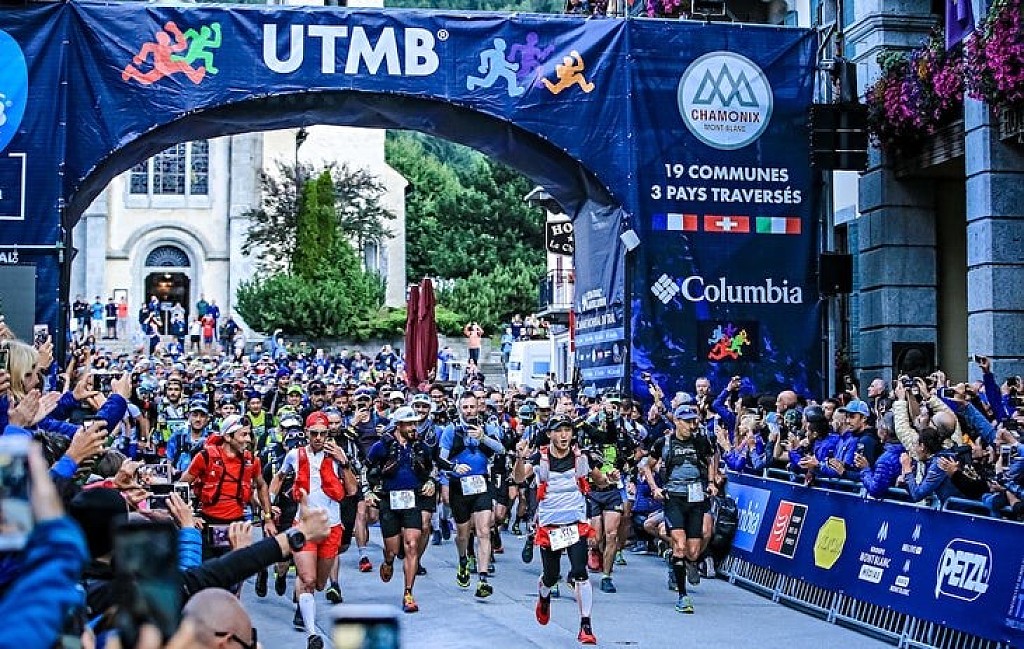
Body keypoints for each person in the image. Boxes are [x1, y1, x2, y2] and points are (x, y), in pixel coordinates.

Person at [513, 415, 597, 644]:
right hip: (551, 526)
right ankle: (544, 595)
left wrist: (608, 477)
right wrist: (519, 457)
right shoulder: (539, 458)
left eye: (567, 430)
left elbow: (599, 480)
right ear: (550, 434)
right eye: (559, 431)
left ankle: (586, 625)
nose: (563, 435)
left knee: (580, 573)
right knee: (551, 576)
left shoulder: (581, 457)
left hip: (575, 523)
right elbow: (518, 477)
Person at [269, 412, 350, 649]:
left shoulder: (337, 454)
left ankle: (303, 597)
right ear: (307, 433)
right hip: (303, 525)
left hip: (331, 526)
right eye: (314, 433)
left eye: (323, 433)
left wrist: (344, 463)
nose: (318, 438)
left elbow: (353, 489)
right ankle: (312, 634)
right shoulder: (295, 455)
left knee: (320, 583)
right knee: (308, 579)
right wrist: (269, 505)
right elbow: (279, 477)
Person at [643, 404, 720, 614]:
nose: (691, 425)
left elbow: (710, 460)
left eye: (693, 421)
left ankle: (675, 559)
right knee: (680, 544)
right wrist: (655, 488)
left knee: (693, 552)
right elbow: (647, 465)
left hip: (696, 497)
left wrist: (711, 482)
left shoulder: (700, 441)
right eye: (686, 421)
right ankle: (682, 596)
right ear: (676, 421)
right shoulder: (664, 442)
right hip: (674, 498)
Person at [365, 406, 437, 613]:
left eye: (415, 423)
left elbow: (431, 468)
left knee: (412, 545)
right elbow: (365, 468)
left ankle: (408, 593)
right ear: (399, 425)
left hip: (412, 500)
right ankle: (388, 561)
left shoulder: (421, 446)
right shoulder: (381, 446)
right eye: (409, 424)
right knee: (393, 549)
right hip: (389, 500)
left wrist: (431, 482)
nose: (414, 427)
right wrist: (367, 491)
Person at [180, 414, 276, 561]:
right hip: (207, 523)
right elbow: (181, 485)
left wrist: (268, 518)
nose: (248, 439)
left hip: (237, 525)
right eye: (243, 435)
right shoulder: (205, 457)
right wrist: (191, 516)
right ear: (227, 437)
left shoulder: (252, 460)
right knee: (209, 569)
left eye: (249, 434)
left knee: (236, 569)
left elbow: (262, 485)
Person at [438, 392, 504, 598]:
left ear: (478, 407)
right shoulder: (451, 430)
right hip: (459, 486)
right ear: (460, 408)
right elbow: (441, 459)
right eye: (465, 407)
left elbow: (501, 449)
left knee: (484, 530)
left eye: (472, 407)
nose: (469, 411)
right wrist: (453, 469)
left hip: (482, 484)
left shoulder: (487, 427)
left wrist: (483, 438)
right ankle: (463, 559)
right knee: (463, 534)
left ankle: (483, 579)